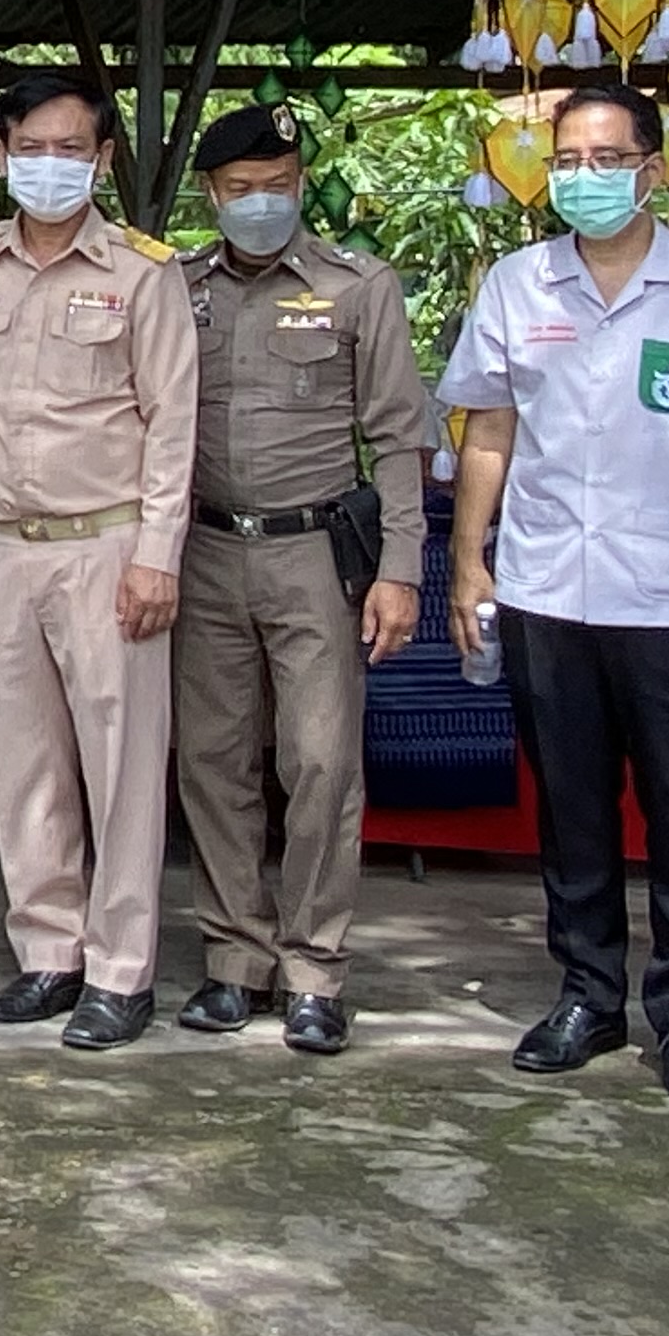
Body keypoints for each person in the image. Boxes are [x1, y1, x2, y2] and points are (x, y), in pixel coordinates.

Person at [444, 79, 669, 1105]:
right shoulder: (519, 285)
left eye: (609, 161)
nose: (587, 180)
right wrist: (474, 562)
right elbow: (489, 433)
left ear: (654, 171)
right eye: (568, 162)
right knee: (571, 805)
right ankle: (588, 994)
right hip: (550, 584)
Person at [0, 75, 197, 1049]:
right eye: (32, 148)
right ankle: (49, 952)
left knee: (122, 764)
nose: (52, 165)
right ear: (2, 154)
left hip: (110, 547)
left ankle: (121, 971)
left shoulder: (141, 271)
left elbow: (173, 421)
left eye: (72, 149)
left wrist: (158, 554)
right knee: (26, 763)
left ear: (102, 159)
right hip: (3, 551)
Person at [169, 106, 428, 1054]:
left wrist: (400, 570)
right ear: (212, 195)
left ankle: (316, 967)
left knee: (320, 761)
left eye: (277, 185)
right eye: (241, 191)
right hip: (201, 551)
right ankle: (234, 958)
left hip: (315, 554)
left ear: (301, 180)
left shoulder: (358, 287)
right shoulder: (176, 288)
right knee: (212, 758)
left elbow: (400, 438)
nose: (260, 205)